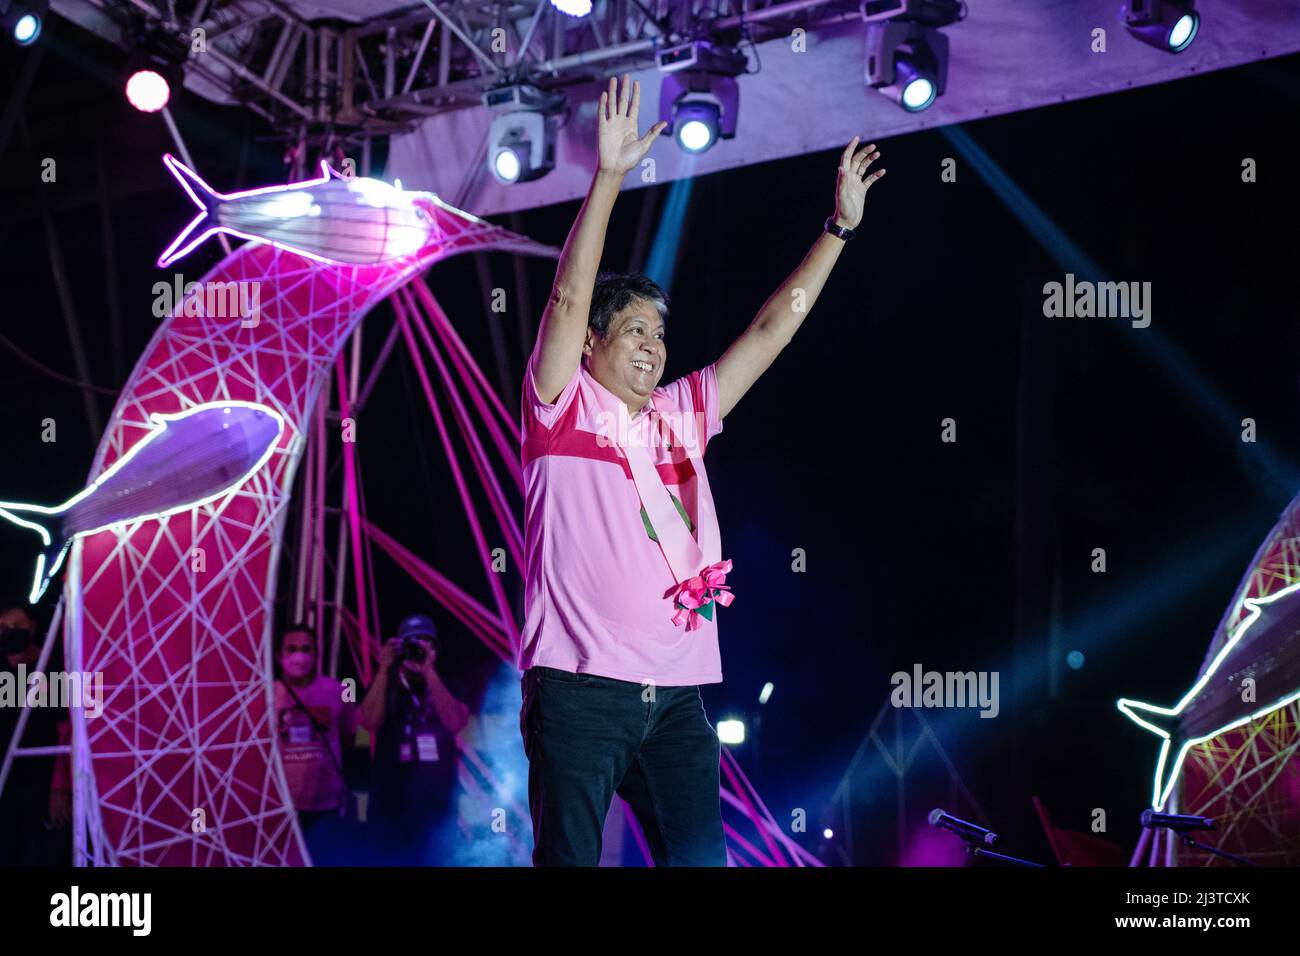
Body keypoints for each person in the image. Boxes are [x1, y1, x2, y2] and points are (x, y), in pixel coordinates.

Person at [518, 74, 884, 865]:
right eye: (635, 330)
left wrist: (838, 231)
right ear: (592, 345)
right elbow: (569, 296)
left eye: (660, 332)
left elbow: (769, 333)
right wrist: (609, 176)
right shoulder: (559, 406)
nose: (654, 344)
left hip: (675, 700)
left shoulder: (682, 414)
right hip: (579, 692)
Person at [359, 614, 469, 865]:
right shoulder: (384, 683)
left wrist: (429, 671)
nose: (417, 648)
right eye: (412, 643)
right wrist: (384, 668)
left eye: (425, 642)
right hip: (390, 801)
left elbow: (455, 723)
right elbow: (368, 722)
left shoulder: (448, 683)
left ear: (435, 648)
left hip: (436, 801)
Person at [272, 623, 359, 866]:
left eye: (306, 648)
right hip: (281, 803)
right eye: (292, 648)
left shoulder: (340, 690)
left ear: (316, 654)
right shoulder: (266, 693)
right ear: (280, 655)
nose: (299, 655)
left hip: (326, 802)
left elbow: (348, 738)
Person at [0, 605, 71, 866]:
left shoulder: (57, 667)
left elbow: (71, 729)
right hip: (7, 784)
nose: (9, 633)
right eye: (2, 628)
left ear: (32, 626)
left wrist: (61, 786)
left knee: (41, 856)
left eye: (17, 626)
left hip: (43, 784)